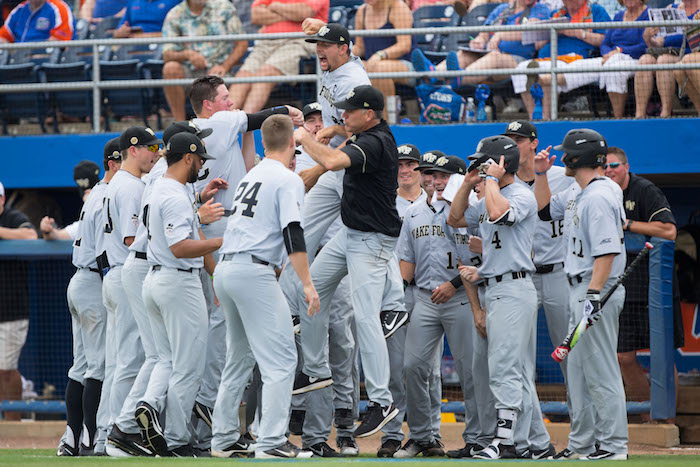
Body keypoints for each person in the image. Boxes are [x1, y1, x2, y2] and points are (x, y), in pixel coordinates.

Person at [292, 84, 400, 438]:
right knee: (311, 290)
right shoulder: (364, 132)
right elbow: (348, 138)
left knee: (366, 318)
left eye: (350, 111)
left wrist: (302, 138)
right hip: (350, 233)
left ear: (369, 114)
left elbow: (335, 160)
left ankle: (382, 401)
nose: (343, 114)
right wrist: (340, 129)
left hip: (373, 240)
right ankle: (314, 368)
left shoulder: (375, 142)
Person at [211, 115, 319, 459]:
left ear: (263, 143)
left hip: (228, 268)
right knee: (282, 359)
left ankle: (224, 439)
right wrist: (307, 283)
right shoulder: (288, 179)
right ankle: (271, 442)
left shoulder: (252, 174)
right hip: (252, 270)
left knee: (238, 358)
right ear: (293, 144)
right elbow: (293, 233)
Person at [537, 129, 628, 460]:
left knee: (600, 370)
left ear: (579, 158)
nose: (562, 158)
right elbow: (545, 210)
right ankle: (581, 445)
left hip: (594, 288)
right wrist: (541, 174)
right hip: (579, 287)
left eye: (567, 154)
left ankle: (614, 446)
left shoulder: (600, 196)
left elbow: (606, 252)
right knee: (577, 372)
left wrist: (593, 295)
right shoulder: (581, 190)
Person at [449, 135, 538, 459]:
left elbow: (500, 214)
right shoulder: (490, 190)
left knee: (505, 368)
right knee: (505, 368)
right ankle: (527, 443)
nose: (481, 166)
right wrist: (468, 182)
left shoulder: (520, 194)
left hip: (514, 287)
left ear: (503, 163)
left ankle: (507, 441)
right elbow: (456, 218)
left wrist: (490, 181)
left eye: (486, 161)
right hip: (495, 288)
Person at [136, 132, 221, 457]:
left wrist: (213, 270)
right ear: (188, 157)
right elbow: (181, 246)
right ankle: (175, 438)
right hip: (176, 280)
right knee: (188, 365)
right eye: (199, 160)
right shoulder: (172, 192)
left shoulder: (164, 186)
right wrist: (219, 243)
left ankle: (149, 404)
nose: (201, 166)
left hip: (157, 280)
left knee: (168, 359)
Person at [395, 155, 476, 459]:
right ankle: (422, 437)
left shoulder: (465, 211)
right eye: (428, 173)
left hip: (458, 297)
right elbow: (407, 258)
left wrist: (453, 284)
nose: (432, 179)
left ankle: (477, 437)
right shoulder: (414, 212)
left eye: (440, 175)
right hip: (424, 299)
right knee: (413, 366)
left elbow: (474, 259)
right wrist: (399, 295)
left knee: (470, 370)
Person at [603, 146, 682, 420]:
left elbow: (669, 230)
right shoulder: (600, 192)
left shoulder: (644, 190)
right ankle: (650, 416)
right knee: (623, 356)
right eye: (605, 166)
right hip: (622, 285)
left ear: (626, 166)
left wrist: (629, 225)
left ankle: (667, 419)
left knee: (662, 355)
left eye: (614, 166)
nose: (609, 171)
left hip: (655, 285)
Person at [56, 139, 122, 457]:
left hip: (79, 281)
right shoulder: (107, 193)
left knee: (80, 366)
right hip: (93, 282)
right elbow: (103, 253)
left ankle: (71, 435)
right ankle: (92, 437)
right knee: (97, 366)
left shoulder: (95, 192)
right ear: (113, 162)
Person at [508, 120, 568, 459]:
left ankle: (585, 439)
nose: (515, 145)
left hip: (560, 272)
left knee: (570, 357)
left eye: (520, 139)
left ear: (534, 143)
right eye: (510, 140)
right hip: (524, 276)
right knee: (519, 361)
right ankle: (532, 441)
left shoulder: (561, 176)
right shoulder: (506, 184)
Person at [103, 126, 161, 457]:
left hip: (114, 273)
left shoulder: (117, 183)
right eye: (151, 146)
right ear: (133, 149)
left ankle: (107, 431)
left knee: (122, 359)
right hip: (127, 270)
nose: (155, 152)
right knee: (131, 358)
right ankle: (116, 429)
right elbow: (131, 239)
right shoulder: (129, 186)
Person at [413, 0, 551, 90]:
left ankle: (459, 77)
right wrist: (479, 41)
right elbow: (485, 32)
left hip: (518, 61)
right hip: (487, 56)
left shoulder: (540, 9)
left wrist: (500, 35)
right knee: (464, 54)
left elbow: (535, 35)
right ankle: (432, 74)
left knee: (495, 57)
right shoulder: (502, 9)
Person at [511, 0, 611, 119]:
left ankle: (546, 118)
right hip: (546, 57)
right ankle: (534, 118)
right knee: (521, 68)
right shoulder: (556, 14)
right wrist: (541, 28)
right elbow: (538, 45)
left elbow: (605, 40)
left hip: (574, 58)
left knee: (547, 71)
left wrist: (578, 33)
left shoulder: (596, 10)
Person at [229, 0, 329, 113]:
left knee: (265, 73)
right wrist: (292, 15)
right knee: (243, 76)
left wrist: (274, 6)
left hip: (298, 40)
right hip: (266, 41)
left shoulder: (276, 5)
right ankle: (226, 122)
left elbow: (304, 13)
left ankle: (247, 123)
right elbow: (255, 16)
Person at [161, 0, 248, 121]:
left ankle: (222, 124)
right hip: (190, 73)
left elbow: (242, 44)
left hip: (221, 72)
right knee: (170, 68)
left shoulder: (224, 7)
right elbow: (167, 54)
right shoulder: (174, 14)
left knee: (222, 84)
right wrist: (188, 55)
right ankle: (180, 126)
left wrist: (224, 66)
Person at [0, 180, 38, 422]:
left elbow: (31, 235)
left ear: (2, 199)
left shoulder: (12, 217)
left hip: (12, 310)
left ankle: (13, 423)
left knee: (5, 370)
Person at [635, 0, 699, 118]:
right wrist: (648, 38)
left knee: (664, 61)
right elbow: (658, 43)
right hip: (667, 50)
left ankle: (665, 112)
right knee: (645, 60)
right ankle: (639, 115)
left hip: (689, 52)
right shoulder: (671, 8)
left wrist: (691, 29)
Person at [352, 0, 414, 119]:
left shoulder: (398, 7)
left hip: (406, 65)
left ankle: (386, 121)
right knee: (353, 68)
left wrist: (380, 55)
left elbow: (405, 45)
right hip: (372, 65)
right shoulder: (361, 11)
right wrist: (344, 53)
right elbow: (360, 47)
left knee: (379, 69)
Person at [0, 0, 73, 43]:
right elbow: (3, 36)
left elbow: (60, 41)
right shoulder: (19, 10)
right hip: (18, 60)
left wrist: (32, 52)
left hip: (45, 60)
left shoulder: (58, 8)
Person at [111, 0, 181, 38]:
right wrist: (121, 32)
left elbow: (180, 33)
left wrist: (146, 36)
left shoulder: (175, 2)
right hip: (132, 46)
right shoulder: (132, 1)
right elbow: (118, 31)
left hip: (161, 46)